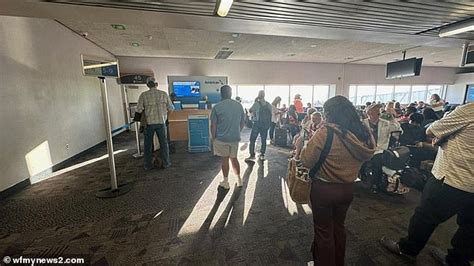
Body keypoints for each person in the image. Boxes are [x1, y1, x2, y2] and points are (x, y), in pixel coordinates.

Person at [380, 102, 474, 266]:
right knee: (470, 226)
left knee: (425, 216)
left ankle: (407, 249)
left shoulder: (470, 110)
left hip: (453, 178)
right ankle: (456, 260)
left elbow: (431, 130)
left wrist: (447, 135)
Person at [301, 96, 376, 266]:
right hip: (348, 189)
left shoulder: (325, 132)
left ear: (330, 113)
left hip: (324, 189)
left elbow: (306, 160)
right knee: (339, 228)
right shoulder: (362, 133)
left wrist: (305, 146)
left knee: (323, 231)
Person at [211, 85, 246, 189]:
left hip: (221, 139)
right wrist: (237, 131)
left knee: (224, 161)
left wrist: (213, 138)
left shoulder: (217, 107)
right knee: (234, 159)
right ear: (231, 93)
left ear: (221, 94)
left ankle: (226, 182)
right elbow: (243, 122)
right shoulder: (239, 105)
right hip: (234, 138)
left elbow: (213, 125)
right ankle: (239, 180)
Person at [136, 77, 174, 170]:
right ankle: (166, 163)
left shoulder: (143, 95)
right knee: (164, 144)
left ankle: (148, 165)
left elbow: (139, 110)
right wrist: (165, 118)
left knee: (148, 145)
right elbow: (171, 108)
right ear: (156, 84)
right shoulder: (163, 94)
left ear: (147, 85)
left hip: (149, 124)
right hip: (161, 123)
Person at [363, 103, 401, 192]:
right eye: (375, 110)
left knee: (377, 161)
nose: (378, 111)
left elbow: (398, 130)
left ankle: (375, 184)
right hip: (365, 149)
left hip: (380, 149)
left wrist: (392, 118)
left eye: (379, 109)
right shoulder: (363, 123)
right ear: (369, 112)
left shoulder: (386, 123)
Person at [246, 90, 273, 161]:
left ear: (258, 95)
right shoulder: (268, 104)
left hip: (257, 123)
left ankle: (252, 155)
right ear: (264, 95)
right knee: (263, 140)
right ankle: (262, 154)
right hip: (265, 124)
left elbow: (250, 111)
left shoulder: (256, 104)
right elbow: (271, 114)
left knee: (252, 139)